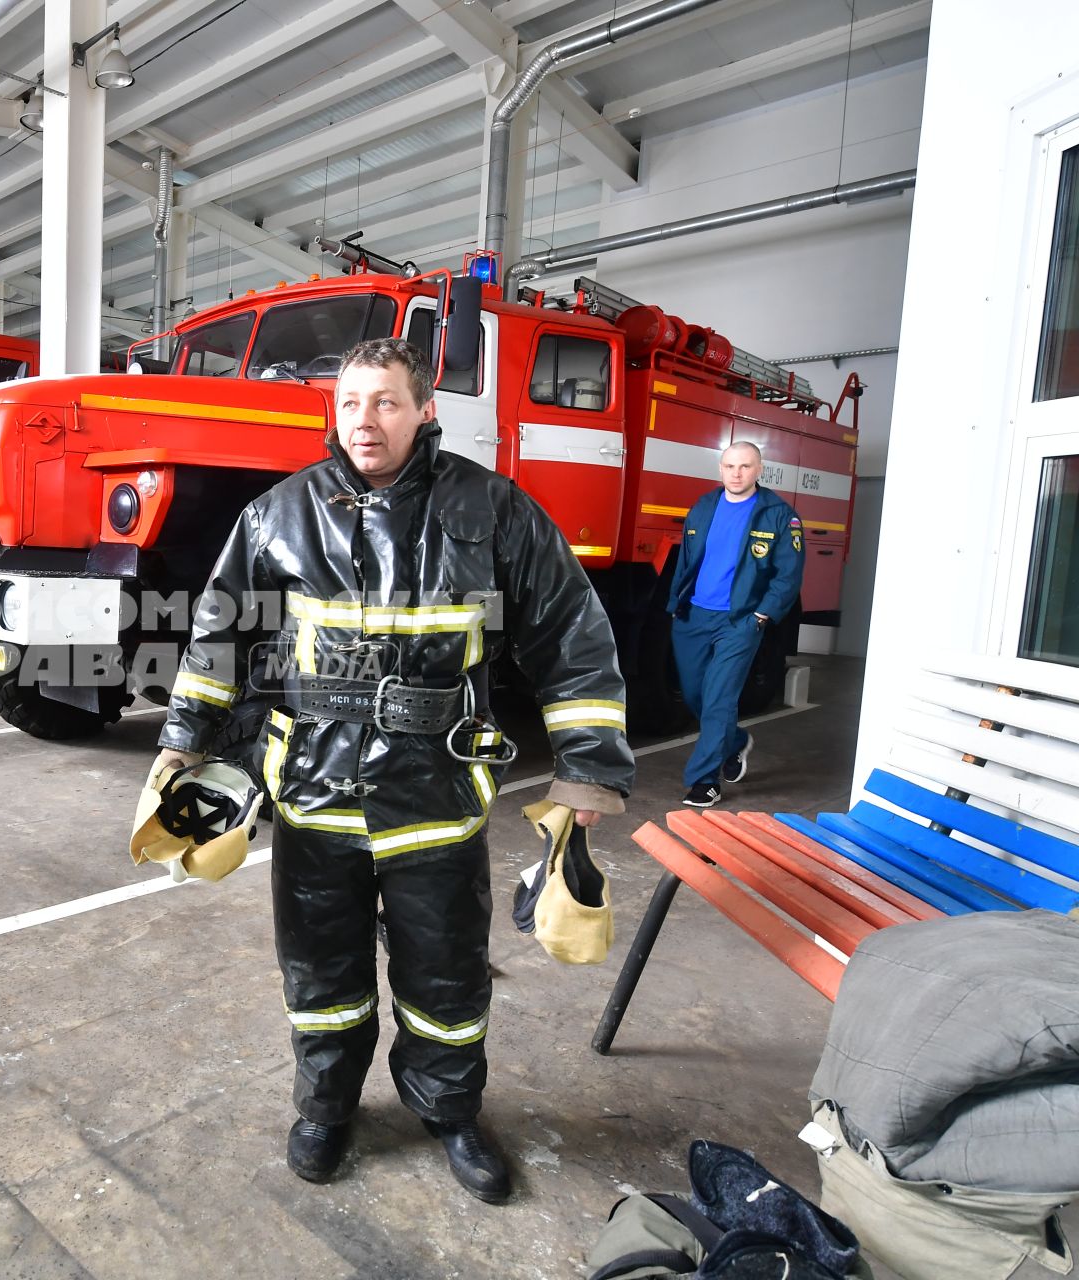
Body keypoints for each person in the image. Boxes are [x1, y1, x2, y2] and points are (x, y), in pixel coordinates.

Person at [149, 338, 634, 1203]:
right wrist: (183, 741)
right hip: (313, 793)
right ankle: (326, 1107)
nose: (365, 421)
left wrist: (587, 772)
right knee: (321, 977)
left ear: (424, 411)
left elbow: (570, 632)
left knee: (445, 978)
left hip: (437, 796)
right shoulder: (276, 516)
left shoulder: (494, 510)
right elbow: (219, 635)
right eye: (350, 404)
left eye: (385, 402)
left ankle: (449, 1110)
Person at [666, 442, 805, 809]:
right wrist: (675, 603)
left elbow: (788, 575)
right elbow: (686, 561)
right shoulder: (704, 506)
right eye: (730, 466)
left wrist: (761, 615)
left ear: (760, 469)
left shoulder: (778, 515)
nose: (736, 474)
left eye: (745, 466)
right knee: (695, 694)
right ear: (721, 469)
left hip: (740, 620)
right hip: (694, 616)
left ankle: (704, 780)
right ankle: (735, 742)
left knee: (718, 698)